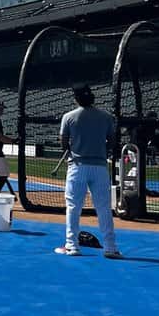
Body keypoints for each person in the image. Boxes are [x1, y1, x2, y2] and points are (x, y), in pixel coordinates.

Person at [56, 84, 121, 258]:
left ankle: (72, 246)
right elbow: (112, 141)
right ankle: (110, 247)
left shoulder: (68, 117)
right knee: (104, 208)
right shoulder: (106, 117)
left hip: (77, 167)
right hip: (99, 167)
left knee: (73, 208)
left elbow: (64, 143)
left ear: (76, 98)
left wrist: (72, 150)